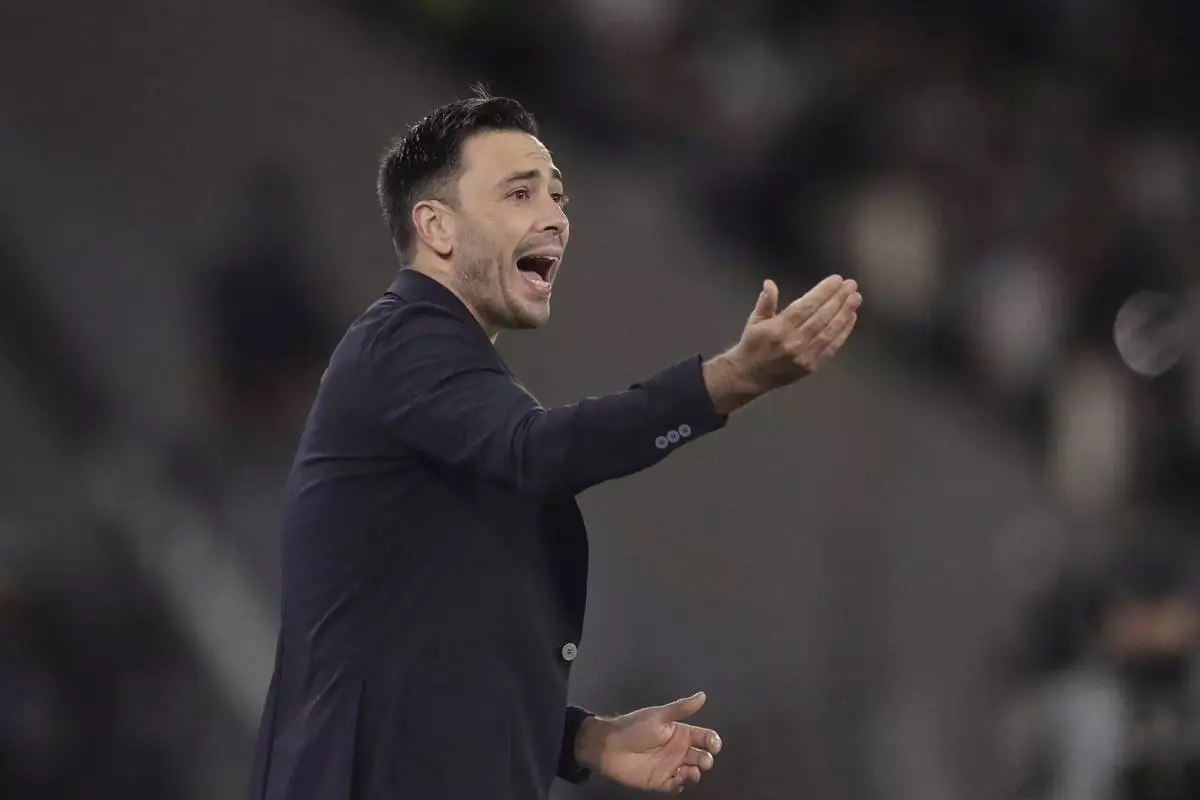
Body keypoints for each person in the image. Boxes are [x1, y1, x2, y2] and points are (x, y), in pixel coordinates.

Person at [248, 87, 862, 800]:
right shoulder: (404, 341)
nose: (555, 217)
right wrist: (728, 380)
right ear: (437, 227)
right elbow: (539, 451)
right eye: (519, 193)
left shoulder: (442, 393)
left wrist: (582, 739)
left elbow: (431, 659)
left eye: (558, 196)